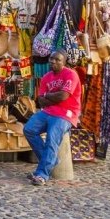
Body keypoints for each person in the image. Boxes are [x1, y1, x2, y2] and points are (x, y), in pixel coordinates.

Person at [24, 51, 81, 186]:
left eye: (57, 60)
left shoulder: (70, 75)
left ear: (64, 62)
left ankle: (42, 174)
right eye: (51, 58)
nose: (53, 61)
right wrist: (53, 96)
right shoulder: (46, 77)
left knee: (52, 138)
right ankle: (51, 160)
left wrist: (49, 95)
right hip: (48, 111)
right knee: (29, 129)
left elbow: (63, 97)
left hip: (66, 113)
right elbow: (41, 101)